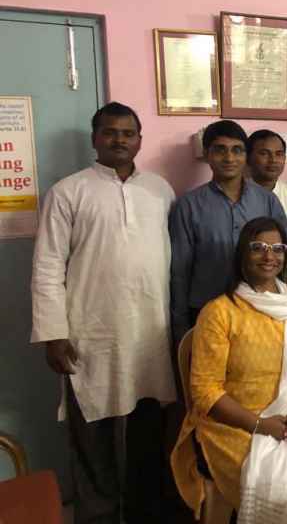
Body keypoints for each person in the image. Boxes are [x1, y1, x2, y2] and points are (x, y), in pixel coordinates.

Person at [31, 102, 176, 523]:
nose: (119, 140)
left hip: (150, 334)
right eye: (110, 132)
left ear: (140, 140)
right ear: (95, 139)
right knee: (93, 436)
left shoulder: (161, 190)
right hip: (91, 334)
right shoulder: (68, 192)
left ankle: (144, 513)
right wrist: (53, 333)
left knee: (147, 431)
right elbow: (47, 266)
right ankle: (98, 516)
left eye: (128, 133)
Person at [170, 217, 287, 523]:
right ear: (243, 253)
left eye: (277, 249)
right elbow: (206, 391)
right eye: (258, 248)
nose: (269, 256)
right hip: (233, 425)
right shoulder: (220, 313)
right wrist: (260, 425)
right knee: (277, 490)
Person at [169, 120, 287, 344]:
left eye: (237, 150)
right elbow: (180, 271)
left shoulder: (267, 201)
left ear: (246, 155)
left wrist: (280, 305)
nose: (229, 158)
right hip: (205, 311)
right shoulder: (189, 205)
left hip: (260, 309)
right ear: (207, 154)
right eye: (220, 150)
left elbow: (281, 257)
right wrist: (180, 326)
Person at [247, 129, 287, 290]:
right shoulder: (239, 199)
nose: (273, 160)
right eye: (264, 153)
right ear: (248, 158)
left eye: (279, 154)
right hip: (252, 292)